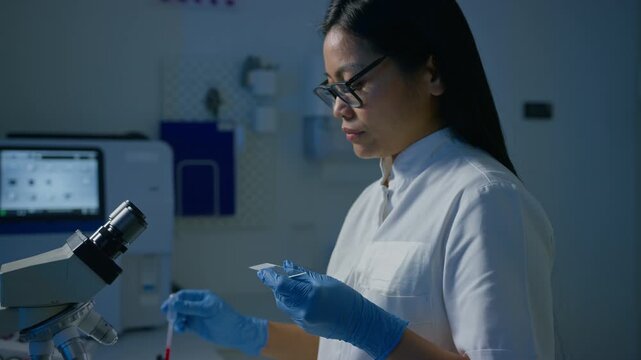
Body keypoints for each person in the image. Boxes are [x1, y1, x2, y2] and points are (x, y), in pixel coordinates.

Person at [161, 0, 555, 359]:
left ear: (431, 73)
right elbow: (345, 348)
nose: (337, 108)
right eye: (332, 88)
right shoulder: (371, 202)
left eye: (353, 83)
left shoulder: (483, 199)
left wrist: (368, 327)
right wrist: (251, 334)